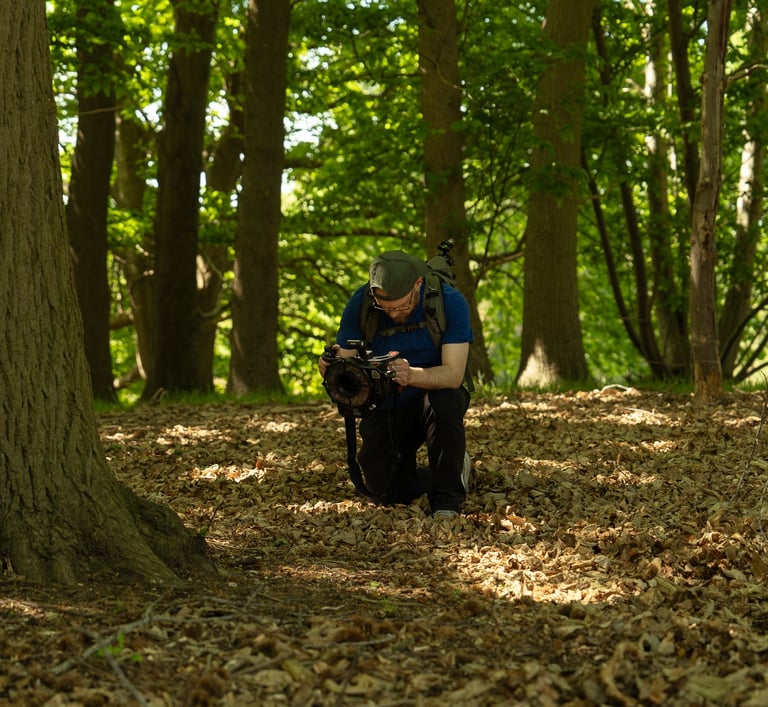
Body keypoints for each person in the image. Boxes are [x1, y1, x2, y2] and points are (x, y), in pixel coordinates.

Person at [318, 250, 474, 518]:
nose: (393, 314)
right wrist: (332, 368)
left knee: (445, 403)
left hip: (431, 395)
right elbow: (346, 362)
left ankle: (447, 500)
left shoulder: (449, 301)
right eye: (386, 308)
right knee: (385, 491)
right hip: (385, 402)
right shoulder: (361, 303)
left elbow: (453, 375)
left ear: (417, 284)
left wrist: (411, 375)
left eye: (401, 307)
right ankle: (453, 469)